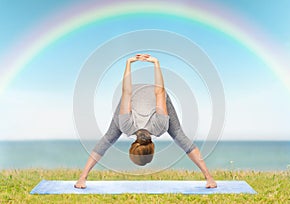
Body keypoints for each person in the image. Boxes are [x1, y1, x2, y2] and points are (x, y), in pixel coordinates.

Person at [74, 54, 217, 189]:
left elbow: (127, 93)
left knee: (109, 137)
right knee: (179, 136)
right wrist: (154, 63)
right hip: (139, 94)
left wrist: (132, 63)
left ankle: (209, 178)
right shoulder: (159, 126)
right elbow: (159, 92)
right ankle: (208, 177)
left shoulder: (126, 125)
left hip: (134, 94)